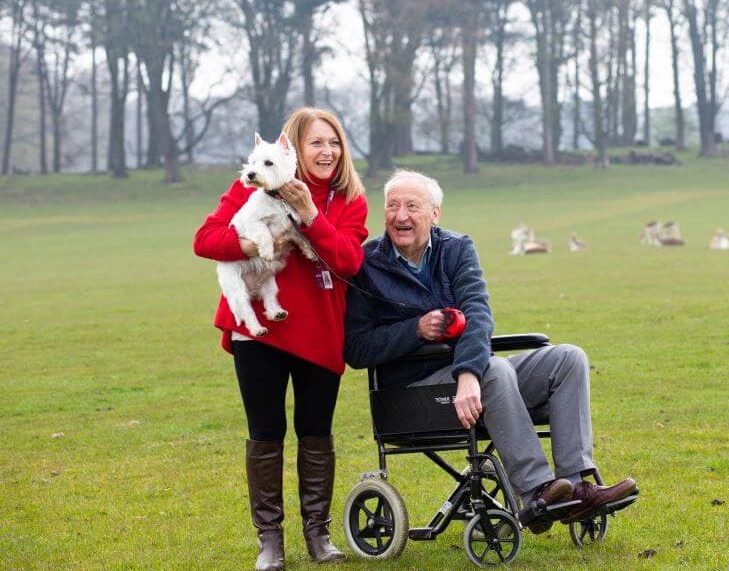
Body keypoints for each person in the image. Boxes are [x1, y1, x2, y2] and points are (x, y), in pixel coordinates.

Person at [342, 170, 637, 534]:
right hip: (412, 392)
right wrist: (415, 330)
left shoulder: (456, 247)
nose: (400, 216)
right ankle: (537, 494)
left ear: (435, 214)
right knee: (494, 371)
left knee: (568, 358)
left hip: (469, 379)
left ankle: (576, 488)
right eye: (393, 206)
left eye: (412, 207)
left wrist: (466, 372)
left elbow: (477, 311)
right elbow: (356, 348)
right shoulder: (366, 264)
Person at [194, 108, 368, 571]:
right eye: (316, 143)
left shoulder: (351, 199)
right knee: (265, 432)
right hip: (261, 332)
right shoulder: (252, 183)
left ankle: (318, 534)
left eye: (333, 142)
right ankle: (269, 541)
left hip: (320, 330)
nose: (327, 151)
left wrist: (310, 215)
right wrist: (252, 246)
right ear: (292, 147)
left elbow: (349, 261)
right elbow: (205, 239)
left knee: (317, 431)